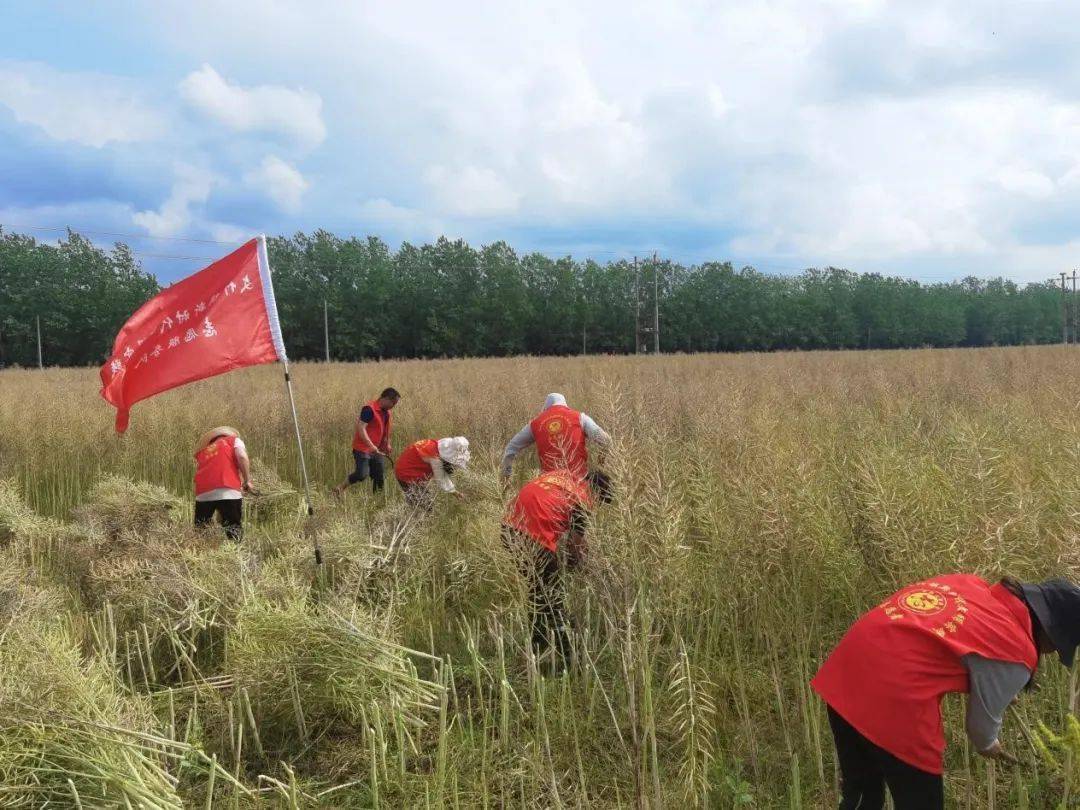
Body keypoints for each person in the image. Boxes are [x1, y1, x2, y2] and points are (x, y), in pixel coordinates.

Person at [812, 574, 1080, 809]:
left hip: (848, 667)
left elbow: (962, 647)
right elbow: (980, 729)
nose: (1053, 652)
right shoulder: (1017, 650)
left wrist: (1001, 686)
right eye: (1058, 645)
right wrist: (989, 744)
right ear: (1050, 631)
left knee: (861, 797)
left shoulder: (973, 586)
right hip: (896, 696)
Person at [502, 468, 612, 669]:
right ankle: (572, 658)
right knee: (552, 595)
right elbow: (575, 547)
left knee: (538, 590)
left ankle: (537, 643)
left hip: (508, 528)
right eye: (600, 502)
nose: (596, 506)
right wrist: (582, 569)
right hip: (532, 537)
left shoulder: (563, 476)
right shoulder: (583, 499)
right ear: (597, 493)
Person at [500, 393, 610, 482]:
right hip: (579, 479)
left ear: (546, 408)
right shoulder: (580, 418)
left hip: (549, 481)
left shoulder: (535, 423)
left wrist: (506, 475)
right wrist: (601, 461)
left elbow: (511, 448)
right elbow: (606, 440)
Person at [334, 387, 400, 497]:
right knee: (362, 474)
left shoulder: (387, 413)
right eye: (393, 403)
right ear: (386, 399)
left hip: (376, 450)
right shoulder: (369, 409)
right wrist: (371, 445)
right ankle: (340, 488)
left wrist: (387, 444)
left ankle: (377, 500)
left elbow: (385, 430)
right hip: (362, 449)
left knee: (379, 476)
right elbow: (361, 428)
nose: (394, 406)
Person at [193, 426, 253, 541]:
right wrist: (247, 480)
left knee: (201, 533)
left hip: (203, 494)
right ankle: (233, 556)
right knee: (233, 530)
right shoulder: (234, 440)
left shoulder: (203, 451)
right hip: (227, 489)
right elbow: (241, 456)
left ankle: (200, 556)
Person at [394, 436, 471, 506]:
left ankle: (411, 507)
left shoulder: (439, 445)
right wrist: (456, 493)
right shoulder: (435, 459)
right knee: (426, 505)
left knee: (419, 499)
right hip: (406, 473)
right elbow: (441, 480)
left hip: (404, 465)